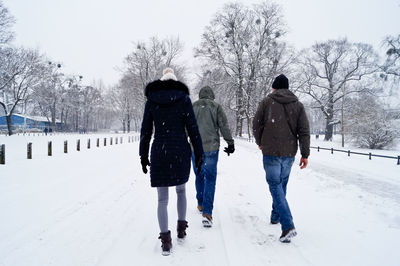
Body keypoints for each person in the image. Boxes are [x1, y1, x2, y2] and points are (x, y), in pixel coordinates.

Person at [139, 68, 204, 256]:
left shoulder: (151, 101)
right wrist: (199, 152)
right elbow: (193, 128)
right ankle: (181, 230)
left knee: (162, 199)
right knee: (181, 190)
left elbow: (145, 131)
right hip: (179, 150)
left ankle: (165, 242)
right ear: (175, 81)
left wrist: (143, 155)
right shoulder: (183, 99)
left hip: (160, 150)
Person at [252, 74, 310, 243]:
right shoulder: (298, 105)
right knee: (281, 185)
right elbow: (304, 131)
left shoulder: (266, 102)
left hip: (270, 151)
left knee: (275, 185)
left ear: (274, 87)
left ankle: (288, 225)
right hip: (289, 153)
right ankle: (275, 216)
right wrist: (304, 154)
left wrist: (260, 141)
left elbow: (256, 124)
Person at [191, 86, 234, 227]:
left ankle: (200, 203)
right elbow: (224, 125)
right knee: (210, 178)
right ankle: (207, 213)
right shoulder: (216, 107)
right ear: (212, 95)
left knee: (199, 175)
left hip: (195, 148)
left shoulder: (193, 106)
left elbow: (186, 126)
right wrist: (230, 142)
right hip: (211, 148)